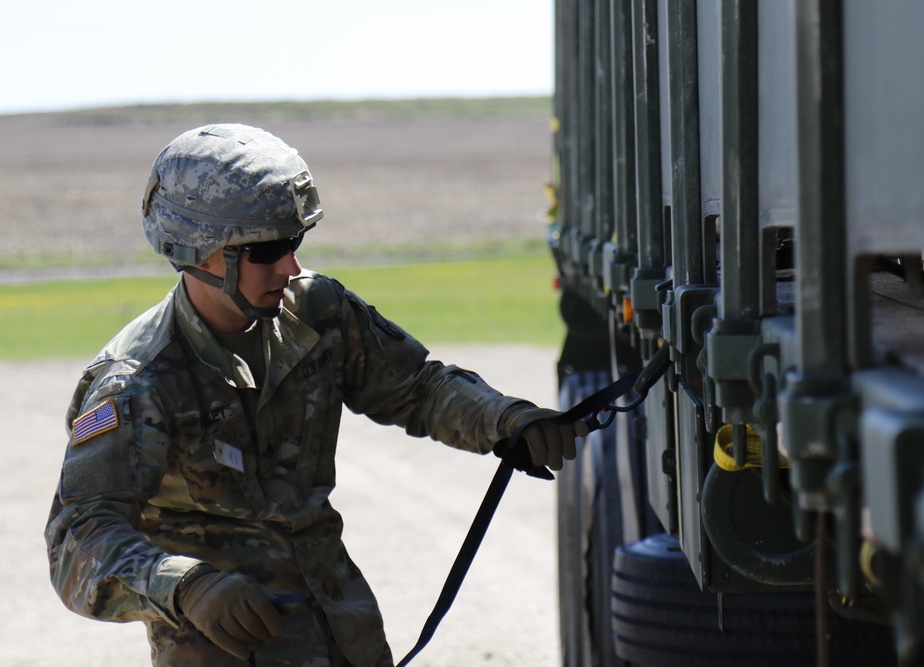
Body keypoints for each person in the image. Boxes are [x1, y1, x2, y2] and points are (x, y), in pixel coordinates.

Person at [44, 123, 584, 667]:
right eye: (267, 250)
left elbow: (418, 387)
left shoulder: (316, 311)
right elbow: (76, 535)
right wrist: (185, 586)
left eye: (295, 242)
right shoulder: (136, 381)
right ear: (199, 251)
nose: (290, 266)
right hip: (231, 648)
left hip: (344, 632)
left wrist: (504, 418)